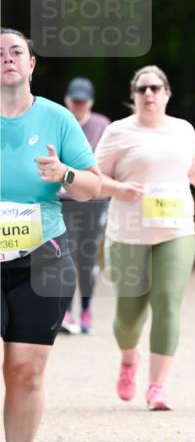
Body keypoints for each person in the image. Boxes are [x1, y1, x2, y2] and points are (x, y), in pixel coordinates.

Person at [0, 28, 101, 442]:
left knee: (25, 371)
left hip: (42, 258)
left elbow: (92, 186)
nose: (7, 59)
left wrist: (65, 173)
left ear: (32, 63)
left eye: (15, 51)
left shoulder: (57, 119)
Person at [95, 65, 195, 411]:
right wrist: (117, 188)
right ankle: (128, 359)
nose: (149, 94)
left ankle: (157, 386)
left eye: (156, 88)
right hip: (128, 234)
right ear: (134, 96)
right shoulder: (118, 132)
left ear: (167, 93)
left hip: (176, 230)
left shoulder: (182, 129)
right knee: (128, 318)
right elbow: (94, 177)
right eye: (142, 89)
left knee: (167, 302)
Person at [59, 77, 111, 334]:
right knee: (65, 255)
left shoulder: (102, 126)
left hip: (94, 201)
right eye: (75, 100)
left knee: (86, 257)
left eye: (83, 101)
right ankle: (66, 312)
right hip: (64, 201)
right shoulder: (58, 121)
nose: (78, 105)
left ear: (90, 102)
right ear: (68, 100)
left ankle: (87, 308)